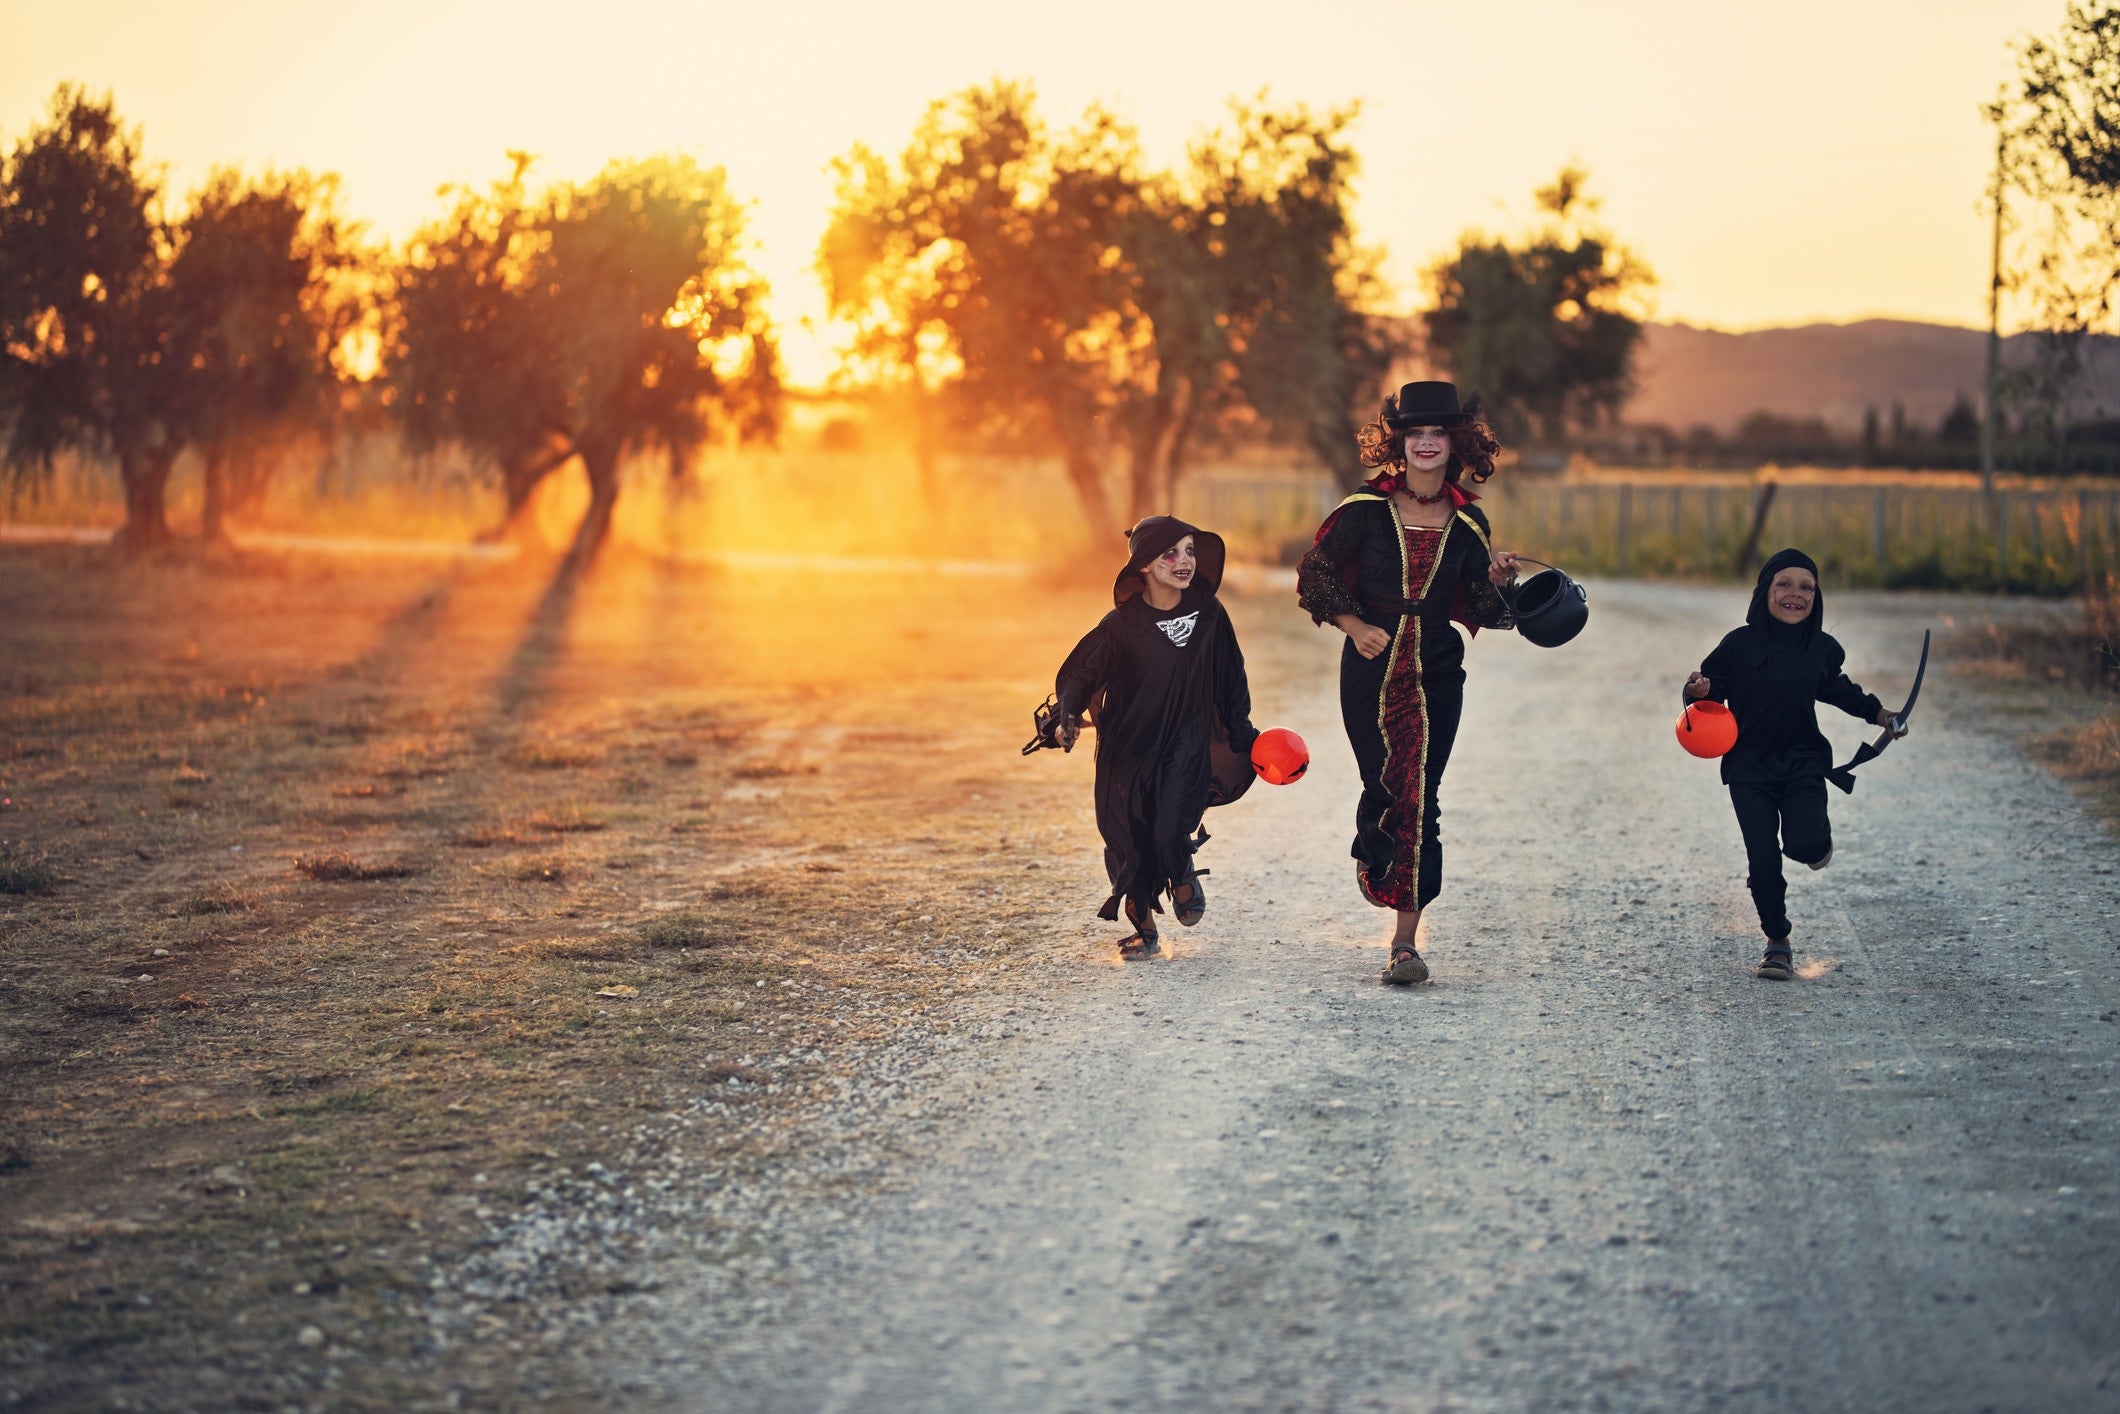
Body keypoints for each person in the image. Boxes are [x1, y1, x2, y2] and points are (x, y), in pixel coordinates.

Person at [1295, 382, 1520, 985]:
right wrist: (1352, 623)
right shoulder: (1363, 511)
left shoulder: (1470, 521)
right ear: (1399, 441)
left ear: (1457, 442)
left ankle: (1404, 944)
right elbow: (1313, 573)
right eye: (1415, 432)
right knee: (1384, 785)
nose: (1426, 443)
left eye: (1438, 432)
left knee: (1423, 794)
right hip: (1369, 667)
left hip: (1439, 672)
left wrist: (1498, 580)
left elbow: (1487, 610)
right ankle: (1377, 858)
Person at [1682, 548, 1905, 980]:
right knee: (1763, 862)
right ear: (1765, 591)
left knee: (1805, 844)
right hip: (1748, 766)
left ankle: (1816, 845)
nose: (1795, 595)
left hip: (1802, 760)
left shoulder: (1819, 649)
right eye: (1784, 584)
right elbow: (1709, 696)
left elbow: (1842, 691)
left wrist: (1882, 717)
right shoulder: (1738, 645)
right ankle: (1778, 942)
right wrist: (1700, 689)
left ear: (1816, 598)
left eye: (1807, 587)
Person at [1045, 516, 1262, 959]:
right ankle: (1143, 929)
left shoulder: (1210, 614)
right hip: (1127, 748)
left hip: (1186, 740)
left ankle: (1180, 867)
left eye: (1189, 551)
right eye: (1170, 553)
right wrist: (1064, 714)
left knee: (1168, 825)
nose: (1183, 562)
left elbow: (1230, 675)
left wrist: (1241, 731)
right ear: (1144, 565)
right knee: (1126, 835)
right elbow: (1083, 674)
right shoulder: (1121, 624)